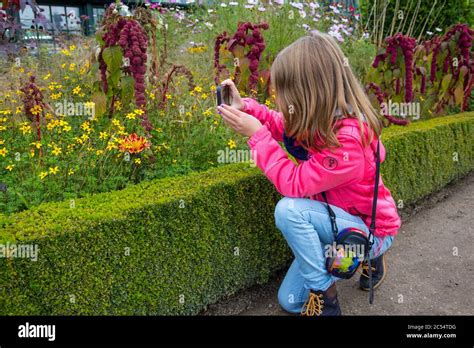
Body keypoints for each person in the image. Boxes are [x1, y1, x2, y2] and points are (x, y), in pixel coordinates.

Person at [216, 31, 401, 316]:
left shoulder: (348, 141)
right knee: (290, 301)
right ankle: (349, 256)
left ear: (307, 92)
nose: (279, 101)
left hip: (367, 228)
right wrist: (247, 108)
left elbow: (293, 183)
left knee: (289, 210)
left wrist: (257, 137)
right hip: (334, 220)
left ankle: (330, 294)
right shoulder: (323, 120)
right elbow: (284, 126)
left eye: (283, 94)